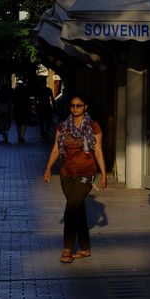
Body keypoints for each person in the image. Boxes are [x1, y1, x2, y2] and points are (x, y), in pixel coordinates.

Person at [43, 94, 107, 264]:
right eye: (72, 105)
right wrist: (48, 168)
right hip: (66, 174)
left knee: (71, 209)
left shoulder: (93, 127)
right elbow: (57, 149)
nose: (75, 108)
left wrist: (103, 175)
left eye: (79, 105)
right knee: (78, 209)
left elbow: (98, 150)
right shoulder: (64, 126)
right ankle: (85, 248)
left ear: (85, 107)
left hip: (86, 173)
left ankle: (67, 248)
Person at [11, 79, 31, 143]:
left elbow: (12, 101)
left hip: (17, 109)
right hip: (24, 109)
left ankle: (19, 136)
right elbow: (28, 101)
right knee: (23, 123)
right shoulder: (26, 91)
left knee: (18, 124)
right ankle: (22, 137)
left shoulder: (15, 91)